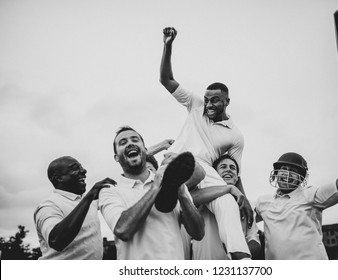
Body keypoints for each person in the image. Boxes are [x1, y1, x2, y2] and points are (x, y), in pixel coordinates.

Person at [160, 26, 251, 259]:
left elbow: (234, 173)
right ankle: (169, 188)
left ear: (227, 102)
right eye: (208, 99)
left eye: (216, 101)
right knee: (176, 213)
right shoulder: (196, 104)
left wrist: (244, 198)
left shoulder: (235, 135)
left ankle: (241, 256)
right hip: (179, 160)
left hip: (206, 170)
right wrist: (168, 45)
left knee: (228, 202)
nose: (209, 104)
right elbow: (166, 79)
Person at [254, 129, 338, 260]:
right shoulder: (262, 202)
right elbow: (239, 217)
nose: (286, 174)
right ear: (276, 173)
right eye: (283, 169)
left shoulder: (310, 195)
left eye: (292, 170)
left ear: (301, 178)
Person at [98, 126, 205, 260]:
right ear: (116, 157)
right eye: (123, 142)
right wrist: (155, 188)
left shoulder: (173, 182)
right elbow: (122, 230)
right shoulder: (110, 190)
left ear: (146, 150)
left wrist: (182, 194)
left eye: (135, 140)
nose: (130, 143)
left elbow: (199, 233)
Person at [34, 156, 115, 259]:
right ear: (59, 178)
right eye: (75, 168)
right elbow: (56, 241)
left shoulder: (87, 201)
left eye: (81, 167)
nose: (84, 171)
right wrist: (89, 196)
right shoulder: (48, 206)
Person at [190, 154, 262, 259]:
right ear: (214, 173)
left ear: (237, 177)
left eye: (232, 168)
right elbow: (192, 198)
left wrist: (241, 254)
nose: (228, 170)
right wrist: (229, 188)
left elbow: (254, 240)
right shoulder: (203, 194)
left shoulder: (247, 206)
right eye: (223, 167)